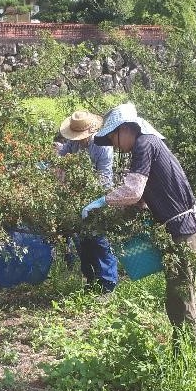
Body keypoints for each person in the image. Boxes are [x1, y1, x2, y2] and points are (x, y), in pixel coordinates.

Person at [82, 102, 196, 345]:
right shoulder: (148, 144)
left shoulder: (143, 144)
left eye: (114, 137)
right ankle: (183, 349)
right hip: (179, 229)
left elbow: (133, 191)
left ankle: (189, 355)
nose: (115, 145)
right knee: (176, 293)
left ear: (125, 128)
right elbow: (145, 196)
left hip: (183, 231)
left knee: (182, 295)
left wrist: (102, 201)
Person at [56, 110, 118, 293]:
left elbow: (105, 178)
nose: (77, 139)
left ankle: (107, 286)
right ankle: (90, 283)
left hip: (97, 199)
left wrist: (94, 201)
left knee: (99, 242)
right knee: (82, 243)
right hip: (76, 199)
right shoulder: (72, 143)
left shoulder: (102, 146)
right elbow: (61, 158)